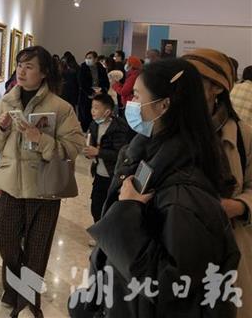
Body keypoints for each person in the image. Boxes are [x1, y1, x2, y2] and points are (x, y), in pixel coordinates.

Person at [70, 58, 240, 317]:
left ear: (163, 105)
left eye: (137, 96)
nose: (131, 102)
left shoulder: (184, 192)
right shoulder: (148, 156)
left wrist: (127, 211)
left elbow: (170, 285)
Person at [0, 46, 85, 317]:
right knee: (6, 241)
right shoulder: (5, 102)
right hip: (12, 186)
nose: (21, 71)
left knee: (37, 250)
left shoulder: (60, 107)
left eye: (29, 66)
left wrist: (40, 139)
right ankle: (16, 287)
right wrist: (2, 128)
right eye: (19, 65)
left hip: (45, 189)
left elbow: (75, 146)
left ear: (43, 73)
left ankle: (26, 300)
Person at [183, 49, 252, 317]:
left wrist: (238, 205)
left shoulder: (243, 135)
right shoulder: (164, 129)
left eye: (194, 82)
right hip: (176, 247)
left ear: (217, 89)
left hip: (228, 246)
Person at [83, 93, 134, 233]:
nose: (92, 111)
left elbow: (120, 154)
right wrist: (89, 152)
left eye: (96, 108)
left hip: (113, 175)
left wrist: (98, 152)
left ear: (107, 111)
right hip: (99, 174)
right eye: (92, 107)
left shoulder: (119, 127)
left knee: (110, 208)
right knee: (96, 206)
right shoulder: (94, 125)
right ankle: (100, 235)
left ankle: (108, 237)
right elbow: (91, 147)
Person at [77, 51, 110, 132]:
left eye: (90, 58)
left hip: (99, 95)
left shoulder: (101, 68)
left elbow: (106, 82)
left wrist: (102, 91)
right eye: (86, 58)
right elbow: (82, 83)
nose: (88, 60)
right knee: (85, 117)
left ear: (95, 59)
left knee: (97, 116)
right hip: (86, 96)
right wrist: (91, 92)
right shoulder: (83, 68)